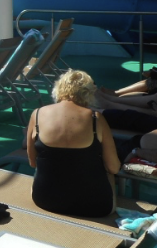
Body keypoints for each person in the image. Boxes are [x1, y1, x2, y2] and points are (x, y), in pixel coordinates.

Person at [26, 70, 120, 217]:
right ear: (89, 93)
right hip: (96, 206)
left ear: (58, 89)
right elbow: (114, 168)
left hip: (45, 200)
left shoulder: (37, 114)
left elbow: (32, 162)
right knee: (109, 171)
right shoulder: (96, 118)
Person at [103, 25, 157, 97]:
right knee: (147, 81)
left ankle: (116, 94)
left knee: (152, 82)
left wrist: (153, 74)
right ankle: (117, 92)